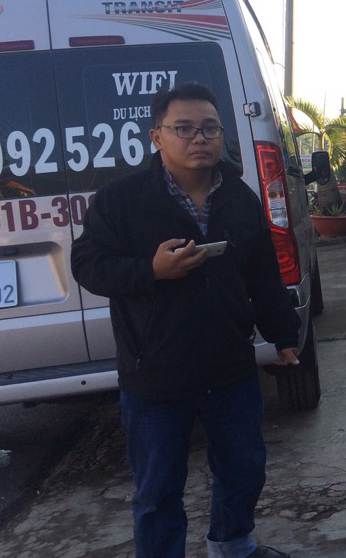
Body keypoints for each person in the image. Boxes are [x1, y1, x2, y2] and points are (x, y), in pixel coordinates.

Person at [70, 83, 298, 558]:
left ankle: (232, 544)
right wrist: (150, 270)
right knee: (157, 491)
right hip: (155, 373)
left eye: (210, 128)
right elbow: (87, 265)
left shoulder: (239, 198)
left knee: (244, 469)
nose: (199, 138)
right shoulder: (122, 201)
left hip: (229, 367)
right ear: (157, 137)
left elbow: (263, 274)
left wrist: (283, 334)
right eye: (184, 129)